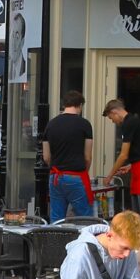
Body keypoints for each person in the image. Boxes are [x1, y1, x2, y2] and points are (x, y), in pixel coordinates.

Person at [43, 92, 94, 222]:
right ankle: (85, 242)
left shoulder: (51, 124)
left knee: (57, 218)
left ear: (64, 104)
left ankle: (55, 242)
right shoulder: (84, 124)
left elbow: (46, 157)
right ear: (80, 105)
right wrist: (84, 172)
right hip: (76, 176)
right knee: (85, 218)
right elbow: (87, 156)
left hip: (55, 176)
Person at [106, 99, 140, 217]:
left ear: (114, 112)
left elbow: (123, 155)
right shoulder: (134, 121)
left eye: (111, 118)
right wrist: (132, 165)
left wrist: (110, 176)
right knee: (137, 215)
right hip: (139, 167)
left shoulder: (129, 123)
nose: (113, 121)